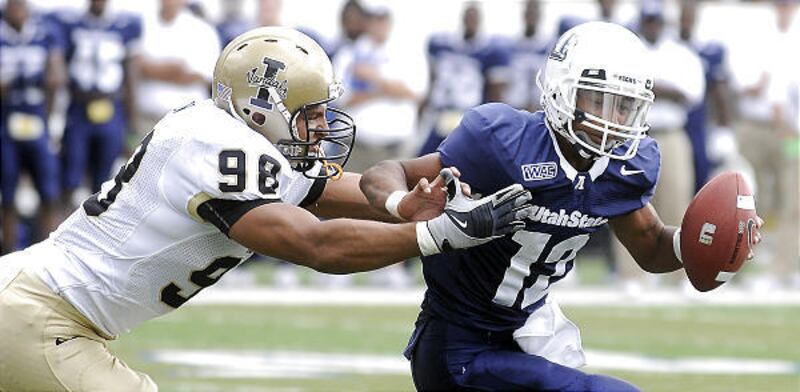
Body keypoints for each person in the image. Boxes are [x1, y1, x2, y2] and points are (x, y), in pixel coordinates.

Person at [0, 27, 533, 391]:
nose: (322, 127)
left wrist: (402, 204)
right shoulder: (214, 144)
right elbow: (313, 243)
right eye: (311, 114)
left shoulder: (236, 140)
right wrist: (437, 235)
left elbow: (327, 190)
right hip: (40, 317)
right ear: (259, 109)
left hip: (41, 309)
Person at [360, 22, 763, 391]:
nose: (613, 120)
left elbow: (652, 246)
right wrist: (402, 204)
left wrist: (707, 239)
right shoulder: (501, 142)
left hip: (529, 334)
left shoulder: (624, 166)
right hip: (460, 346)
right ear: (561, 89)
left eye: (624, 106)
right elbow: (386, 171)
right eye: (600, 101)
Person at [50, 0, 142, 209]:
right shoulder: (70, 22)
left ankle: (93, 229)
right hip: (80, 106)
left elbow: (130, 74)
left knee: (104, 179)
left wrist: (132, 119)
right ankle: (65, 231)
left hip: (110, 106)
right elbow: (59, 63)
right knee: (71, 173)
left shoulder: (125, 25)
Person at [1, 0, 66, 254]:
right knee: (8, 194)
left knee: (49, 191)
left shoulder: (45, 32)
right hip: (7, 121)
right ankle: (8, 254)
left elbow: (57, 77)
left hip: (37, 119)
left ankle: (48, 252)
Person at [417, 1, 511, 157]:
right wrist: (424, 106)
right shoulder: (441, 44)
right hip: (441, 114)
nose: (470, 21)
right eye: (468, 17)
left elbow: (496, 95)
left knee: (463, 164)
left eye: (474, 18)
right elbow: (433, 81)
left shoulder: (492, 51)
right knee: (424, 159)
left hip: (468, 117)